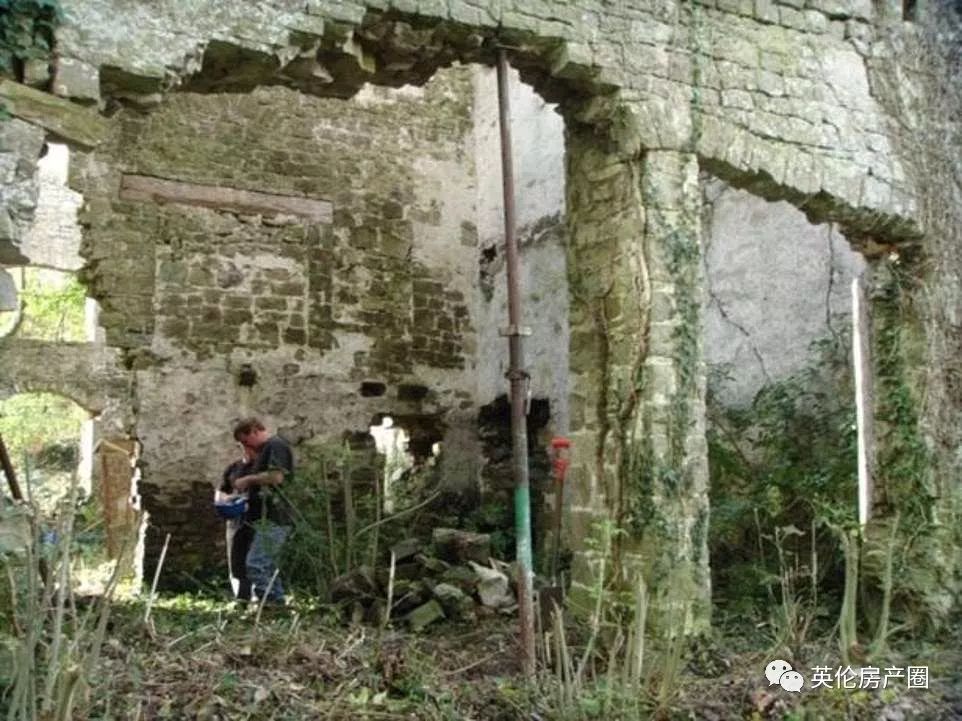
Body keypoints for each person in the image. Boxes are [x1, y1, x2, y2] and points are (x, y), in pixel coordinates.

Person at [231, 417, 295, 604]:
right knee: (265, 565)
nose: (246, 446)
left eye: (245, 441)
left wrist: (248, 480)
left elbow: (276, 477)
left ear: (254, 431)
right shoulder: (266, 450)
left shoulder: (276, 445)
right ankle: (273, 606)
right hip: (266, 517)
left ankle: (274, 604)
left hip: (276, 517)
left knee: (257, 564)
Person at [217, 445, 256, 601]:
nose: (249, 450)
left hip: (257, 520)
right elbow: (222, 492)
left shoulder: (260, 469)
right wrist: (227, 502)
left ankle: (257, 597)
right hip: (235, 520)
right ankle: (241, 599)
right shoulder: (234, 468)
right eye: (246, 447)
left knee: (254, 560)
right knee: (236, 561)